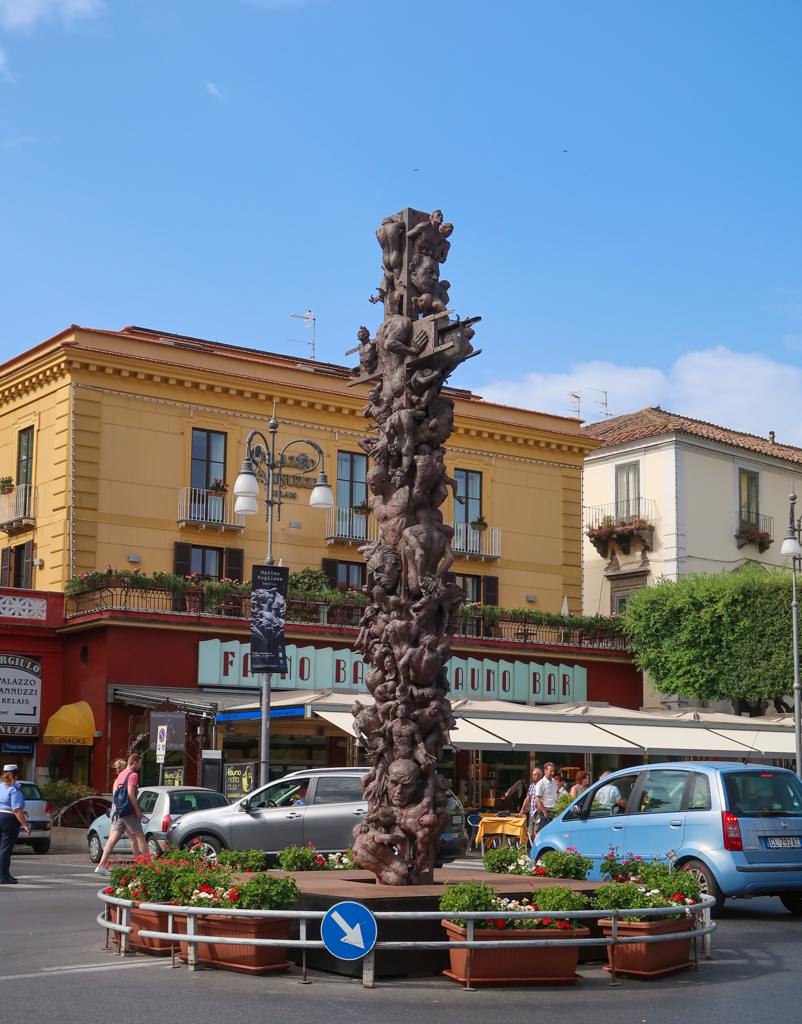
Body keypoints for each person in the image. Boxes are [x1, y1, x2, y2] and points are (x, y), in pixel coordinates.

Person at [95, 753, 146, 876]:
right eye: (139, 764)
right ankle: (147, 865)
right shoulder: (133, 775)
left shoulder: (121, 774)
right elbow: (130, 793)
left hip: (118, 811)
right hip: (128, 811)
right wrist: (137, 810)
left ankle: (101, 865)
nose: (140, 766)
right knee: (140, 837)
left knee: (112, 839)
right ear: (135, 763)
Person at [0, 764, 31, 884]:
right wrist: (25, 825)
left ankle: (5, 874)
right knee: (5, 848)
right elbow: (16, 809)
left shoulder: (0, 787)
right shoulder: (14, 790)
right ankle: (3, 876)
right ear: (16, 775)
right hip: (9, 819)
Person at [534, 761, 559, 831]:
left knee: (554, 830)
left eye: (553, 771)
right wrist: (544, 811)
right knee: (547, 830)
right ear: (545, 771)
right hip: (546, 809)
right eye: (550, 771)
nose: (552, 773)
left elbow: (556, 793)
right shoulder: (541, 783)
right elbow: (537, 799)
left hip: (554, 809)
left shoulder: (553, 781)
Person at [520, 767, 543, 838]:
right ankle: (535, 843)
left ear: (540, 775)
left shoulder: (543, 785)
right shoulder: (532, 786)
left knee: (536, 831)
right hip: (532, 812)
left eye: (535, 774)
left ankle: (538, 844)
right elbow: (528, 798)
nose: (533, 776)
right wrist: (522, 809)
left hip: (539, 812)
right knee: (531, 833)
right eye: (533, 775)